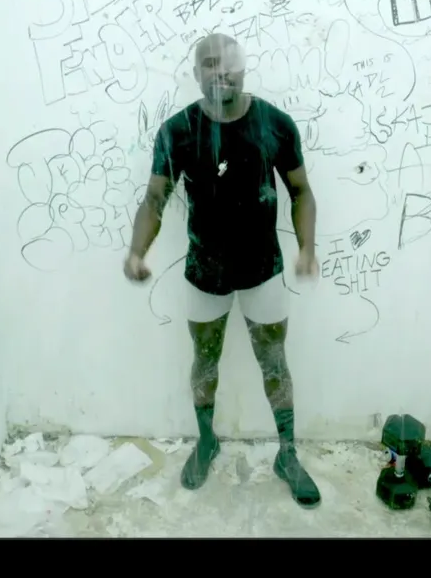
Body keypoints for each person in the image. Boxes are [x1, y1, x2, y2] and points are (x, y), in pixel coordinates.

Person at [124, 34, 322, 508]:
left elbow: (300, 191)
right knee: (204, 361)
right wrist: (137, 252)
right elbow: (155, 197)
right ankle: (207, 440)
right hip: (203, 272)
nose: (221, 72)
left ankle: (288, 454)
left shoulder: (275, 124)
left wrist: (307, 249)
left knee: (274, 362)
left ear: (243, 69)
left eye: (228, 63)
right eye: (209, 64)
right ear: (196, 74)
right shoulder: (178, 131)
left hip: (263, 269)